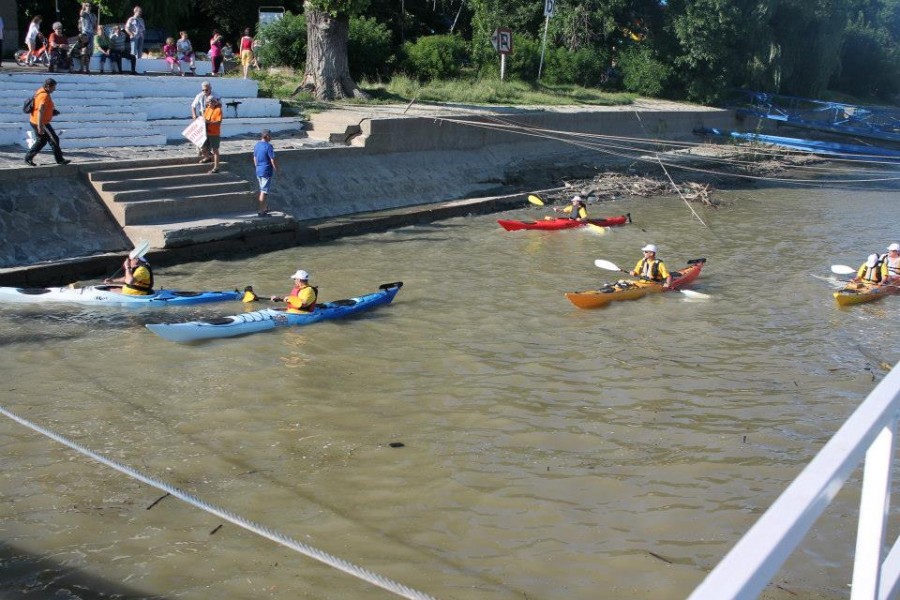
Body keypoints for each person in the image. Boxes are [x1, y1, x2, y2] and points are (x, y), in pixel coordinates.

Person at [25, 79, 70, 166]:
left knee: (41, 141)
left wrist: (52, 111)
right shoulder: (44, 96)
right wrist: (40, 126)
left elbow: (41, 107)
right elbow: (40, 111)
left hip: (36, 120)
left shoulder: (40, 91)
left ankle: (28, 158)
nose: (54, 89)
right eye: (53, 87)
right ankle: (59, 159)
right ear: (48, 86)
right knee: (54, 139)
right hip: (41, 122)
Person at [253, 129, 277, 216]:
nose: (271, 137)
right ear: (266, 136)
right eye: (270, 136)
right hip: (266, 171)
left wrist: (258, 167)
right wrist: (277, 170)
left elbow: (255, 158)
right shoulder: (268, 146)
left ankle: (265, 208)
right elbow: (272, 160)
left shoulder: (257, 145)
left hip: (258, 170)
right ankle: (261, 211)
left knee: (264, 190)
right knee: (263, 191)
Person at [202, 96, 223, 173]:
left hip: (214, 133)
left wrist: (209, 122)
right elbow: (204, 119)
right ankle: (207, 157)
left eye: (212, 101)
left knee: (215, 150)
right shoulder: (207, 109)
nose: (210, 103)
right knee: (203, 148)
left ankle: (216, 167)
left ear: (215, 102)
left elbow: (219, 122)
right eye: (209, 101)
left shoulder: (218, 110)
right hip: (206, 132)